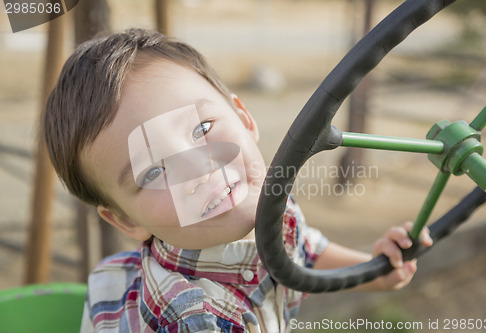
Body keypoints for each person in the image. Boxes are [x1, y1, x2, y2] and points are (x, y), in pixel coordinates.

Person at [43, 28, 433, 332]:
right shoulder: (192, 319)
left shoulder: (264, 200)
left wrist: (372, 270)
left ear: (245, 120)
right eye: (154, 172)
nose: (200, 169)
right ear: (128, 221)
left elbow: (304, 251)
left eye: (202, 128)